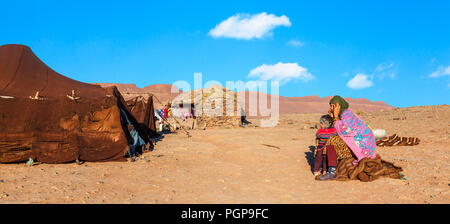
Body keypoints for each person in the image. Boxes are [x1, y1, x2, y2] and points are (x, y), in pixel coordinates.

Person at [319, 95, 377, 181]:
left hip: (363, 145)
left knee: (331, 140)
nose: (332, 108)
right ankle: (325, 167)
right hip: (360, 143)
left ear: (339, 105)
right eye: (330, 106)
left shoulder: (346, 115)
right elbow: (335, 129)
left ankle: (332, 171)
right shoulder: (342, 115)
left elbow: (344, 131)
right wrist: (333, 117)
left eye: (334, 106)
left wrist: (335, 117)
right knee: (329, 138)